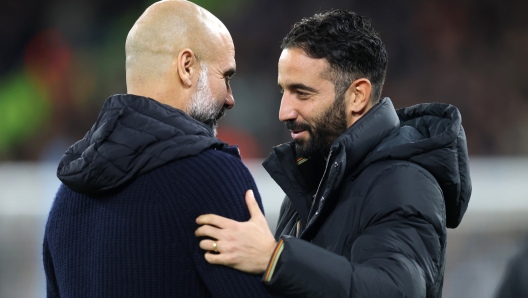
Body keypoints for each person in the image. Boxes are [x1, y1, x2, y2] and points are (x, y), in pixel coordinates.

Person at [195, 9, 472, 298]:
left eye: (302, 93)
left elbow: (396, 290)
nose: (283, 112)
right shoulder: (314, 174)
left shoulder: (403, 180)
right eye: (283, 92)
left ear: (357, 96)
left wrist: (274, 259)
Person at [43, 1, 278, 297]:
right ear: (187, 66)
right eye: (226, 77)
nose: (230, 98)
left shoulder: (67, 199)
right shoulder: (214, 176)